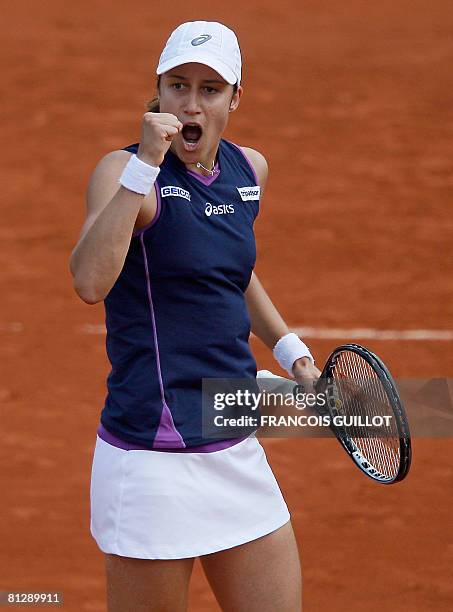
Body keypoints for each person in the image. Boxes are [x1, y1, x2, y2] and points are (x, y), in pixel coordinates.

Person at [69, 20, 320, 612]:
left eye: (210, 89)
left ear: (236, 97)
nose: (191, 102)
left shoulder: (248, 170)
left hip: (230, 436)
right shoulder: (123, 172)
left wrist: (291, 351)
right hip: (151, 458)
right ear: (158, 90)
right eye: (178, 85)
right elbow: (88, 281)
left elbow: (229, 270)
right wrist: (145, 167)